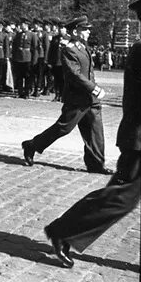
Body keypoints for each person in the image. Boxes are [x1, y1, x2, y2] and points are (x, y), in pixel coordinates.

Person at [42, 0, 141, 268]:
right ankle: (65, 230)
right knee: (122, 197)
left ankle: (66, 230)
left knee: (122, 195)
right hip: (139, 139)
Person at [21, 16, 114, 174]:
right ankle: (32, 145)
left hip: (90, 98)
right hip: (78, 98)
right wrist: (94, 88)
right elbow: (74, 75)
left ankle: (96, 164)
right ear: (76, 31)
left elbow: (88, 71)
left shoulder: (82, 46)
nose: (88, 32)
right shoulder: (69, 49)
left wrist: (93, 90)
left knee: (95, 130)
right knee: (63, 128)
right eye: (85, 29)